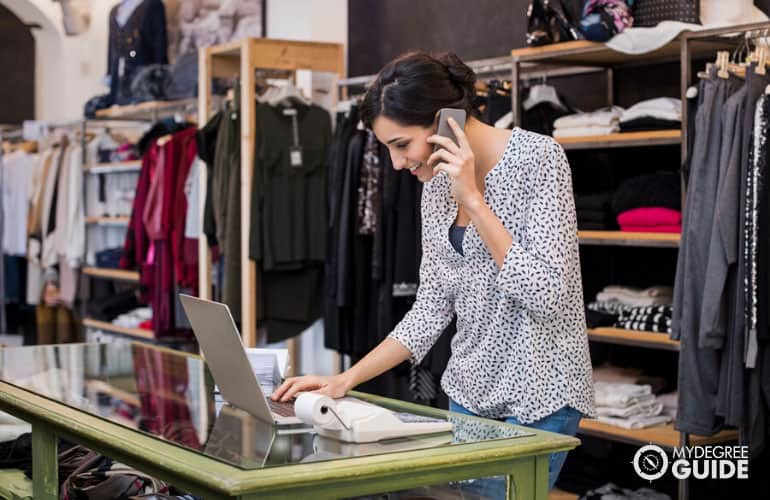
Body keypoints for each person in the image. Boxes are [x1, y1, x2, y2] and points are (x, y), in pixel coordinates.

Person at [272, 51, 595, 490]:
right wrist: (344, 379)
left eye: (401, 145)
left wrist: (475, 202)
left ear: (447, 122)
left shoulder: (539, 160)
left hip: (539, 396)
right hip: (468, 393)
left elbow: (549, 296)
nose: (397, 164)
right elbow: (430, 310)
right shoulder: (435, 189)